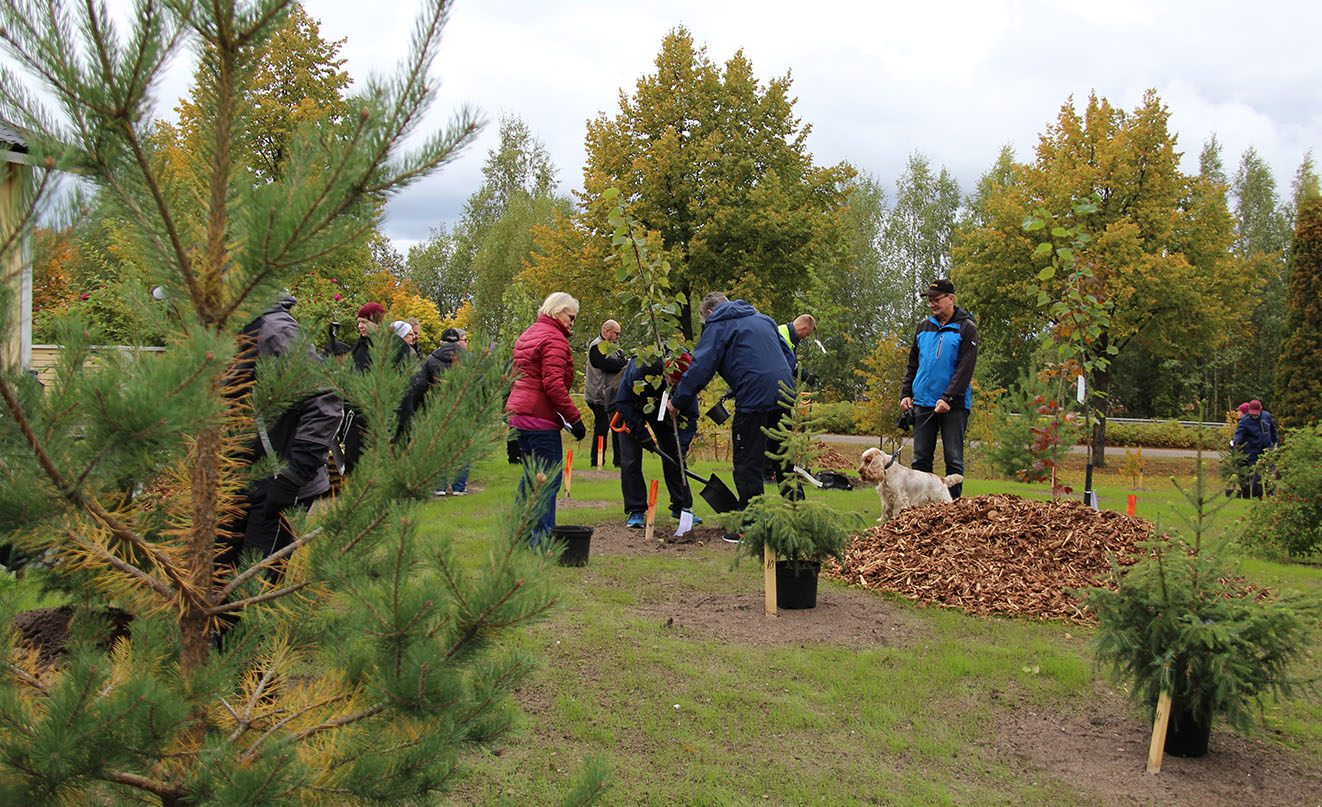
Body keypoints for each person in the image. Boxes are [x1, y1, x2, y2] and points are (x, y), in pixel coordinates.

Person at [226, 295, 343, 566]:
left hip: (276, 482)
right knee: (218, 576)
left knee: (254, 581)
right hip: (235, 480)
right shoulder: (221, 333)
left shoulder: (273, 331)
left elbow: (324, 400)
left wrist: (292, 476)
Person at [669, 292, 794, 522]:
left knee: (748, 461)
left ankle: (752, 524)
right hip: (784, 393)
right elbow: (789, 357)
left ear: (708, 313)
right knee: (783, 458)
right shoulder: (763, 319)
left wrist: (677, 401)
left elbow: (700, 368)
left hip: (754, 399)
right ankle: (800, 514)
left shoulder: (718, 325)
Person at [507, 292, 587, 543]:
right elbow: (553, 385)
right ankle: (541, 542)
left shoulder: (528, 334)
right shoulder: (554, 339)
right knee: (547, 481)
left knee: (530, 478)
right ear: (558, 310)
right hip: (540, 419)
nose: (572, 323)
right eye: (571, 317)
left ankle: (519, 537)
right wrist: (575, 419)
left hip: (519, 416)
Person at [900, 278, 978, 500]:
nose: (933, 304)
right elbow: (913, 364)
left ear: (951, 299)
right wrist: (906, 393)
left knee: (953, 459)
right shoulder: (924, 327)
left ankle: (952, 507)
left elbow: (965, 369)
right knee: (921, 459)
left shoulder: (966, 328)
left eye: (937, 300)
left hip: (953, 405)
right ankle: (922, 508)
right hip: (923, 402)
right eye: (930, 301)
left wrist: (947, 397)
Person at [615, 351, 700, 527]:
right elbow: (623, 402)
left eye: (680, 384)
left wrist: (680, 448)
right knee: (631, 458)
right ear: (666, 373)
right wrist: (642, 434)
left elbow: (690, 417)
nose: (678, 386)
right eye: (675, 383)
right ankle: (636, 509)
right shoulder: (642, 367)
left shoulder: (688, 378)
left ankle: (681, 507)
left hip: (661, 408)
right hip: (630, 405)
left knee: (674, 455)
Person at [408, 327, 473, 496]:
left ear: (442, 341)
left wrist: (418, 407)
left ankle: (440, 486)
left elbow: (420, 386)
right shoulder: (470, 358)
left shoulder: (431, 359)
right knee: (462, 448)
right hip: (463, 407)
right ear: (458, 340)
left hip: (438, 406)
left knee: (439, 446)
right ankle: (459, 486)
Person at [585, 319, 627, 468]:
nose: (618, 337)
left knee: (617, 428)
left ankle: (619, 461)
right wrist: (624, 363)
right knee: (602, 427)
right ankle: (596, 460)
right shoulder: (597, 346)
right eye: (616, 333)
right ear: (606, 331)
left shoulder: (614, 348)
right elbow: (609, 365)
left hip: (612, 396)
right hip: (599, 396)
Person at [1232, 399, 1278, 499]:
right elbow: (1239, 433)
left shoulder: (1266, 417)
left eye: (1256, 413)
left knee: (1270, 475)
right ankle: (1258, 499)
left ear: (1260, 409)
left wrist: (1276, 443)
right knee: (1256, 478)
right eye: (1252, 413)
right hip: (1253, 453)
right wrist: (1235, 442)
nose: (1254, 415)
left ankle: (1272, 497)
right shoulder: (1245, 421)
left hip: (1268, 451)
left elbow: (1273, 431)